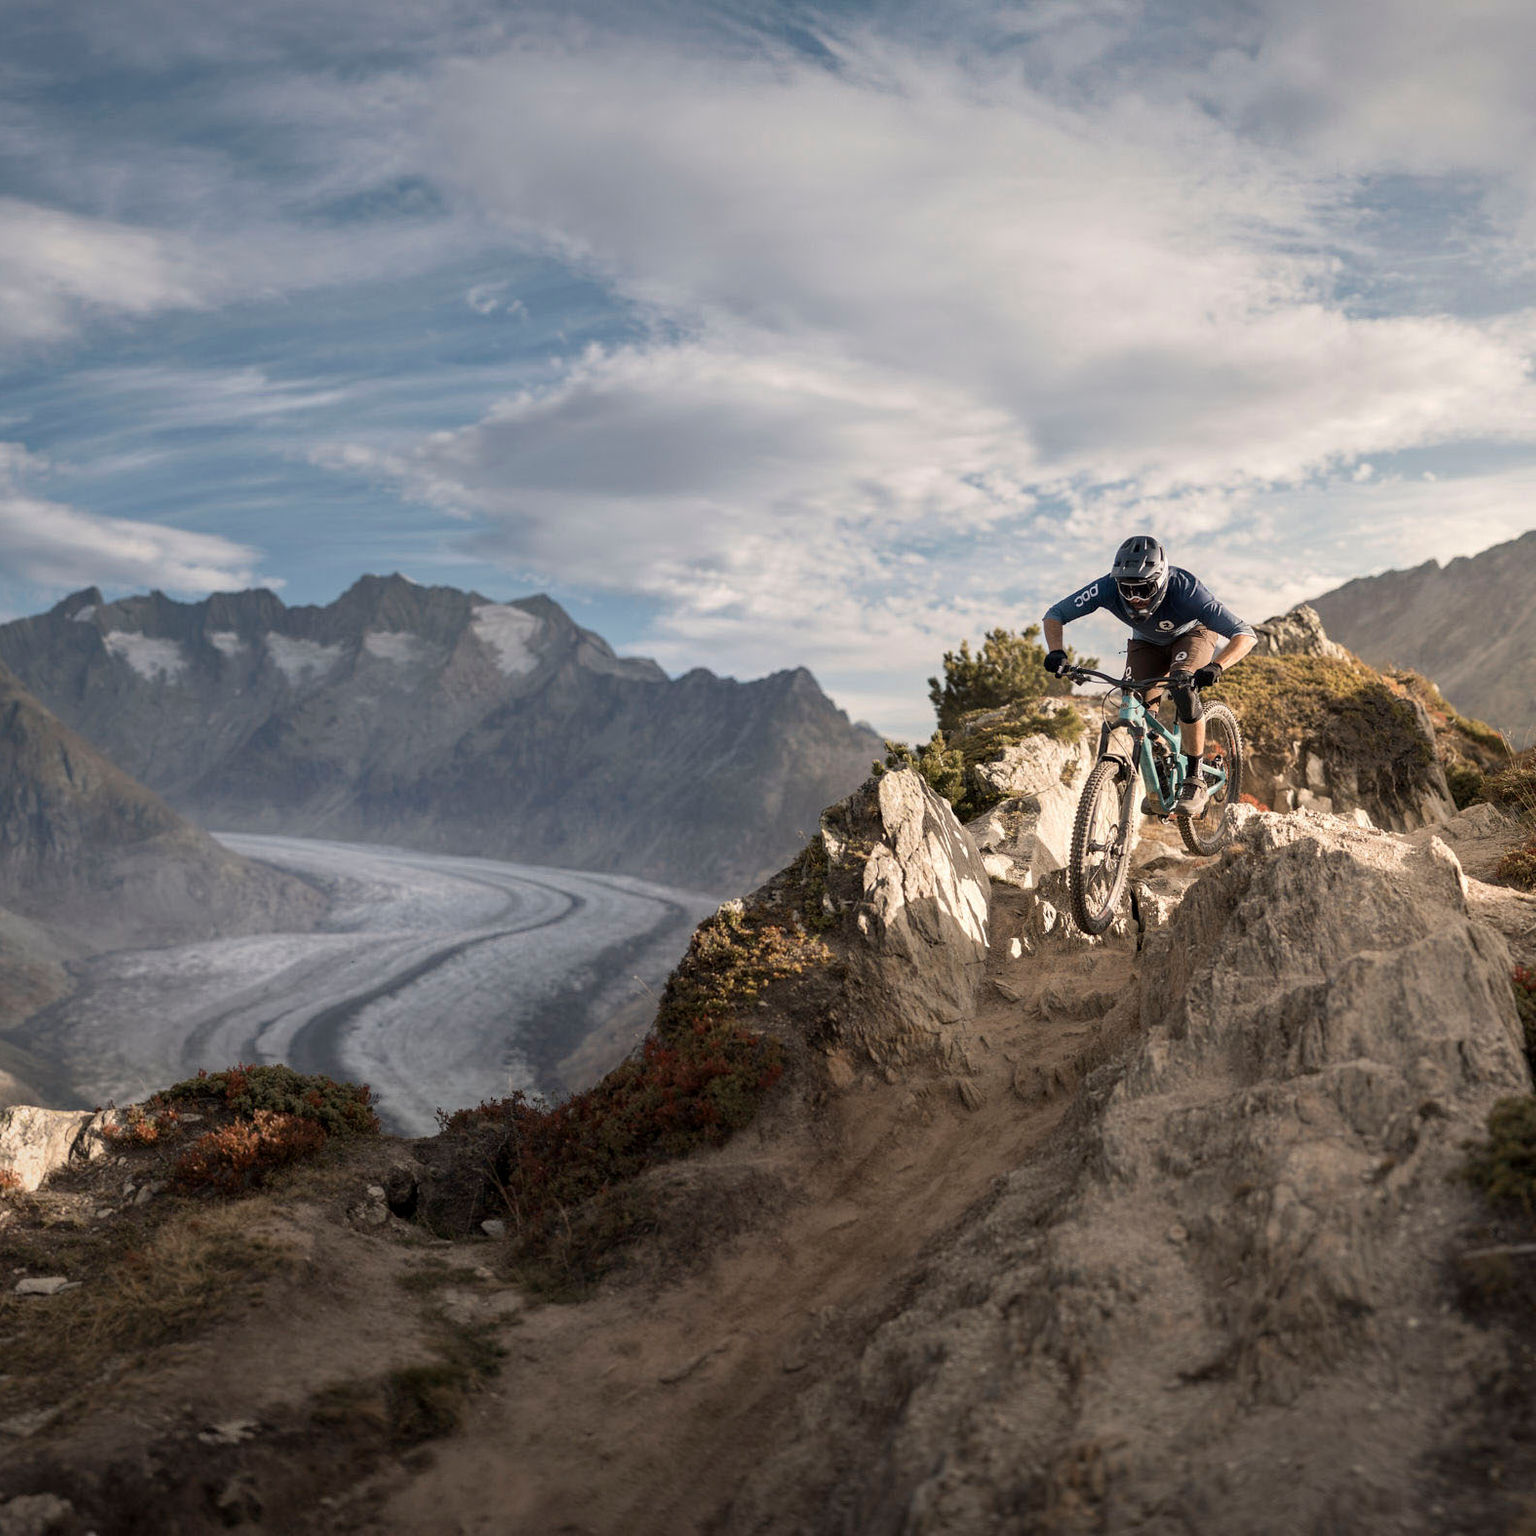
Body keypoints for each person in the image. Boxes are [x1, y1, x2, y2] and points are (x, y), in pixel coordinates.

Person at [1040, 535, 1256, 816]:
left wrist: (1217, 666)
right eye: (1127, 590)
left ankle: (1195, 777)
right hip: (1147, 642)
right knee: (1136, 703)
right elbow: (1055, 614)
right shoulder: (1106, 587)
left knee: (1182, 687)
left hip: (1193, 633)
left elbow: (1245, 635)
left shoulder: (1187, 590)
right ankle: (1162, 767)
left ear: (1162, 579)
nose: (1135, 598)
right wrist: (1056, 651)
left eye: (1144, 589)